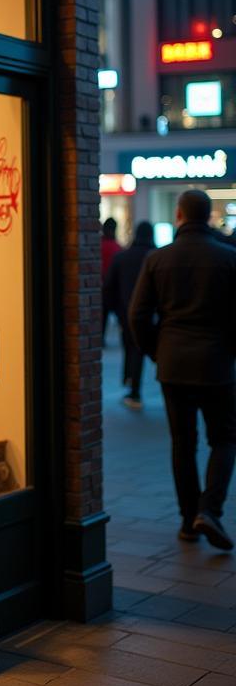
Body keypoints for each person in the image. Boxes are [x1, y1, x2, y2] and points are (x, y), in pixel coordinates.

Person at [129, 189, 236, 551]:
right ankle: (210, 509)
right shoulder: (228, 259)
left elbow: (137, 315)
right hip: (217, 364)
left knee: (182, 443)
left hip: (173, 364)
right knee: (223, 438)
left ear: (178, 215)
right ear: (207, 217)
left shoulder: (158, 260)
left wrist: (157, 351)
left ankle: (188, 520)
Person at [104, 221, 155, 410]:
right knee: (139, 351)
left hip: (126, 313)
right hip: (151, 315)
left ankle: (131, 384)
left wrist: (116, 310)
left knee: (130, 347)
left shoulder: (122, 257)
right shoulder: (157, 257)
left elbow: (109, 287)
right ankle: (134, 387)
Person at [101, 217, 122, 335]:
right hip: (114, 289)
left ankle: (101, 339)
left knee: (102, 317)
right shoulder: (117, 248)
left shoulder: (99, 245)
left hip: (101, 287)